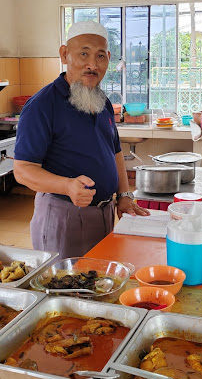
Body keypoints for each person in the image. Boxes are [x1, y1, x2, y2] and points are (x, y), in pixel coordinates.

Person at [13, 20, 149, 259]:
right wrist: (67, 185)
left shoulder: (101, 100)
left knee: (97, 285)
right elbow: (23, 170)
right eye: (83, 54)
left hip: (105, 213)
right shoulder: (43, 105)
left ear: (108, 58)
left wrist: (124, 196)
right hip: (64, 216)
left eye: (100, 56)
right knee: (66, 288)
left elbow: (114, 150)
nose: (92, 65)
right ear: (65, 54)